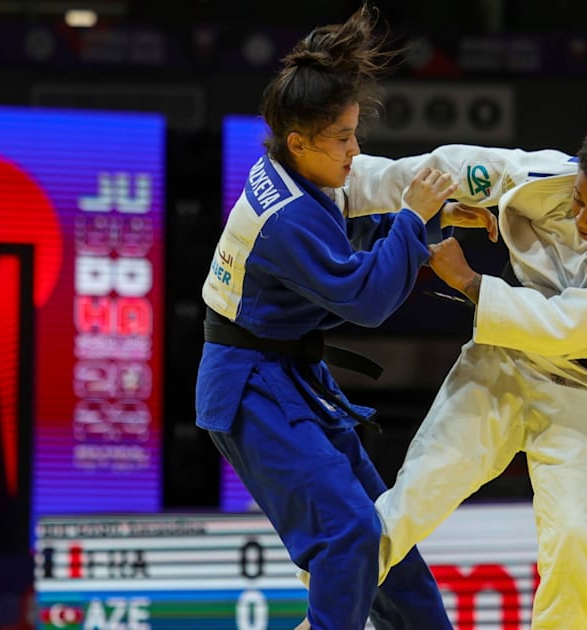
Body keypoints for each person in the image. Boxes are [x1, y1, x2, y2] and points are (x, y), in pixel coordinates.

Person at [194, 5, 495, 629]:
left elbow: (354, 240)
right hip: (251, 391)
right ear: (300, 140)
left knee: (390, 545)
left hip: (293, 378)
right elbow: (365, 298)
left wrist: (430, 219)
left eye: (355, 134)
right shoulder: (283, 216)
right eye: (344, 139)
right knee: (350, 535)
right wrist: (414, 219)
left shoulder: (302, 176)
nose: (356, 152)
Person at [338, 119, 587, 628]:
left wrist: (472, 284)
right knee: (414, 499)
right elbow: (443, 168)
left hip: (577, 379)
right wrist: (339, 180)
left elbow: (566, 328)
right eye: (580, 200)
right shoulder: (544, 177)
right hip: (499, 357)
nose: (582, 215)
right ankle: (327, 608)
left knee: (577, 537)